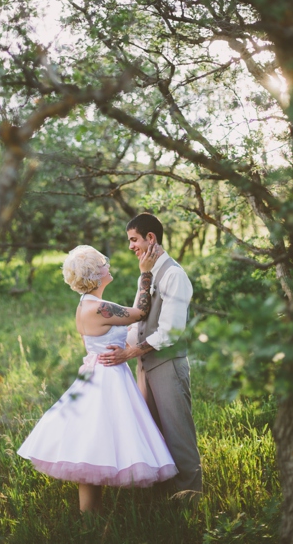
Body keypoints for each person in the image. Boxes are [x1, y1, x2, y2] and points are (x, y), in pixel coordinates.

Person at [17, 244, 177, 513]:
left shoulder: (86, 304)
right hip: (107, 377)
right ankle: (90, 522)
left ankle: (90, 519)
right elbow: (140, 312)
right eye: (103, 264)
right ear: (94, 274)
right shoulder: (98, 308)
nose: (108, 266)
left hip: (98, 371)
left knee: (94, 444)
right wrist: (145, 273)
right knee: (98, 442)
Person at [98, 212, 203, 496]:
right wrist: (119, 345)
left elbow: (171, 331)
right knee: (155, 432)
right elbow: (139, 321)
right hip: (145, 365)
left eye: (134, 240)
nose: (131, 246)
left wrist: (130, 352)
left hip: (168, 364)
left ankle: (191, 497)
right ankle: (165, 493)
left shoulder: (174, 275)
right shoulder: (147, 275)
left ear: (150, 238)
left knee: (178, 433)